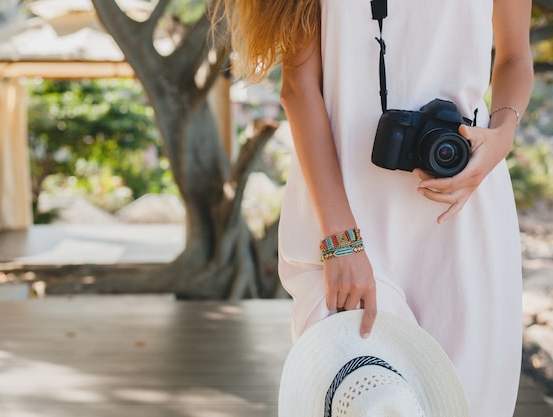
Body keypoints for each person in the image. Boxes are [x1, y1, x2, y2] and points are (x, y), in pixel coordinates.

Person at [212, 0, 533, 415]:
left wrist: (503, 134)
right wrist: (342, 240)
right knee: (368, 400)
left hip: (464, 219)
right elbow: (298, 87)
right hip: (344, 220)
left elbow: (515, 57)